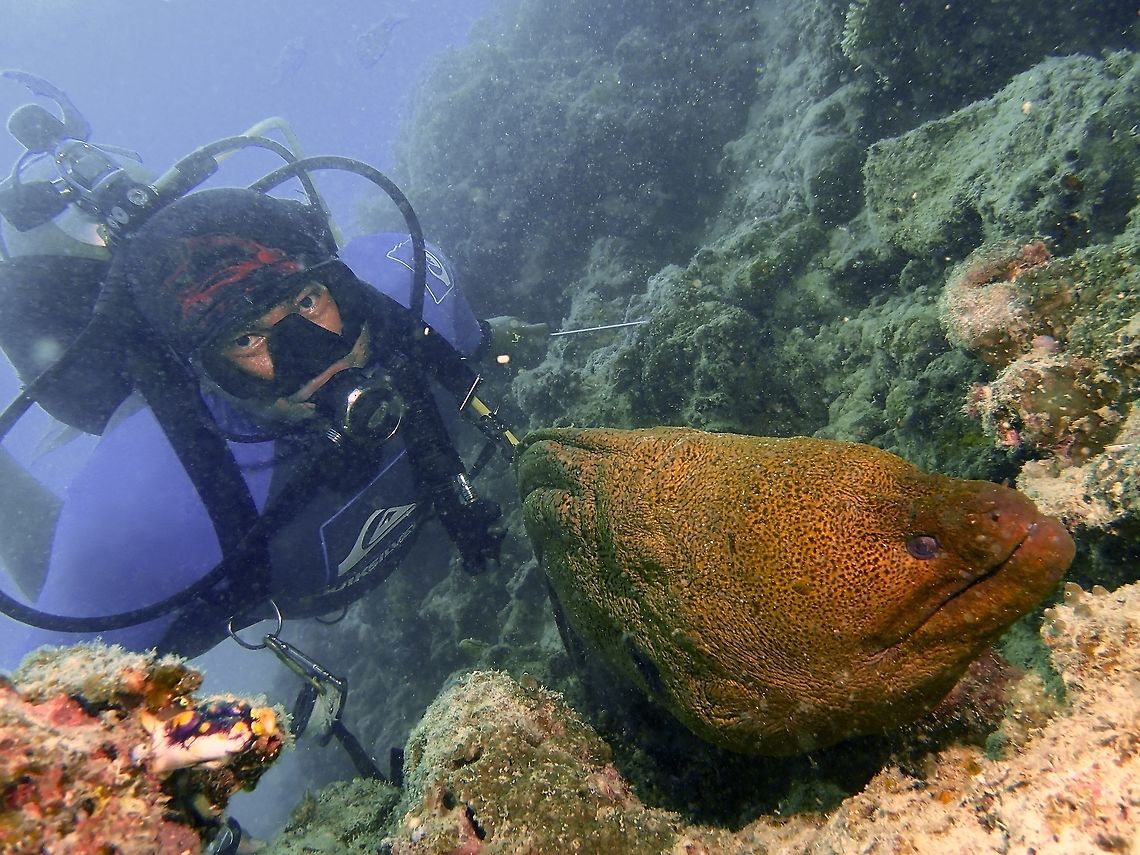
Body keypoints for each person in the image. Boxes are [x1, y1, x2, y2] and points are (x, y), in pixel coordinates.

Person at [0, 185, 549, 663]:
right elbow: (45, 726)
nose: (313, 355)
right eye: (245, 339)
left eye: (308, 300)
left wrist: (486, 342)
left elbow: (468, 337)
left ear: (344, 286)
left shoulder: (410, 281)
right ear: (206, 375)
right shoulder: (142, 513)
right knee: (39, 556)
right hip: (139, 566)